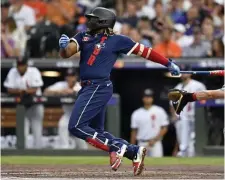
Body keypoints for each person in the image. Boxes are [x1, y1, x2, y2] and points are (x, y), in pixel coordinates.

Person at [58, 7, 180, 175]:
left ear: (102, 21)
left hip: (98, 86)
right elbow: (68, 52)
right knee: (97, 131)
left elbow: (146, 52)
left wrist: (167, 63)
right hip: (87, 87)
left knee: (76, 126)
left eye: (93, 18)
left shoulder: (118, 40)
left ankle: (117, 147)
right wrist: (64, 47)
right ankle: (133, 151)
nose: (89, 21)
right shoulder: (83, 36)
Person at [4, 56, 44, 148]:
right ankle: (22, 151)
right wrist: (23, 91)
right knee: (22, 130)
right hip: (22, 106)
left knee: (37, 129)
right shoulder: (13, 72)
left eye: (22, 65)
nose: (20, 67)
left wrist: (21, 91)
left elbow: (35, 89)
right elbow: (9, 89)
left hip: (35, 105)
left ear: (26, 65)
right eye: (19, 65)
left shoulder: (34, 71)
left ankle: (38, 153)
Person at [44, 68, 87, 150]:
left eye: (72, 76)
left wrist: (73, 92)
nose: (70, 78)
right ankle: (65, 149)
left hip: (79, 115)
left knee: (80, 142)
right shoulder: (61, 85)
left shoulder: (79, 86)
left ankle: (84, 152)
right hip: (67, 114)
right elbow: (46, 91)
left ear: (76, 77)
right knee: (62, 125)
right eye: (68, 76)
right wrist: (60, 92)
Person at [170, 66, 206, 157]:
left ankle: (193, 160)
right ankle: (185, 164)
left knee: (193, 141)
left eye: (186, 72)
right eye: (182, 72)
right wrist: (174, 116)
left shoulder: (198, 85)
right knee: (183, 141)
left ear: (190, 73)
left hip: (195, 117)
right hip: (183, 117)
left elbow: (205, 100)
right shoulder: (177, 87)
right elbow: (172, 104)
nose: (183, 74)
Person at [130, 89, 169, 157]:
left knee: (158, 165)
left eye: (149, 96)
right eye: (146, 96)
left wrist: (155, 139)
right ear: (143, 98)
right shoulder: (136, 113)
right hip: (141, 143)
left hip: (155, 143)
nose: (147, 98)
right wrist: (132, 147)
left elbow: (164, 128)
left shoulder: (159, 111)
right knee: (140, 165)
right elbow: (134, 131)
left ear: (152, 98)